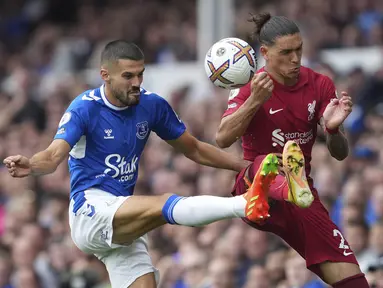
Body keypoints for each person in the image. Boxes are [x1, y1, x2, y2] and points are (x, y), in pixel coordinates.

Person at [3, 40, 279, 288]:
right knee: (164, 204)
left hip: (123, 214)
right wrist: (31, 164)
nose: (136, 82)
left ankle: (247, 199)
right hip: (91, 211)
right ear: (105, 75)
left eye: (140, 74)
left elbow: (194, 149)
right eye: (128, 76)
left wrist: (245, 167)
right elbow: (52, 157)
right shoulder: (84, 108)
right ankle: (245, 205)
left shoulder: (152, 105)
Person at [216, 13, 369, 288]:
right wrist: (254, 101)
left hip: (302, 197)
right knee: (267, 162)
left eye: (299, 50)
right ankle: (281, 180)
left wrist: (333, 130)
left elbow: (340, 154)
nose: (296, 59)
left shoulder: (320, 84)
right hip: (255, 191)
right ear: (265, 53)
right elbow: (223, 138)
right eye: (286, 52)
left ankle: (291, 185)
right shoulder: (252, 86)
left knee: (353, 281)